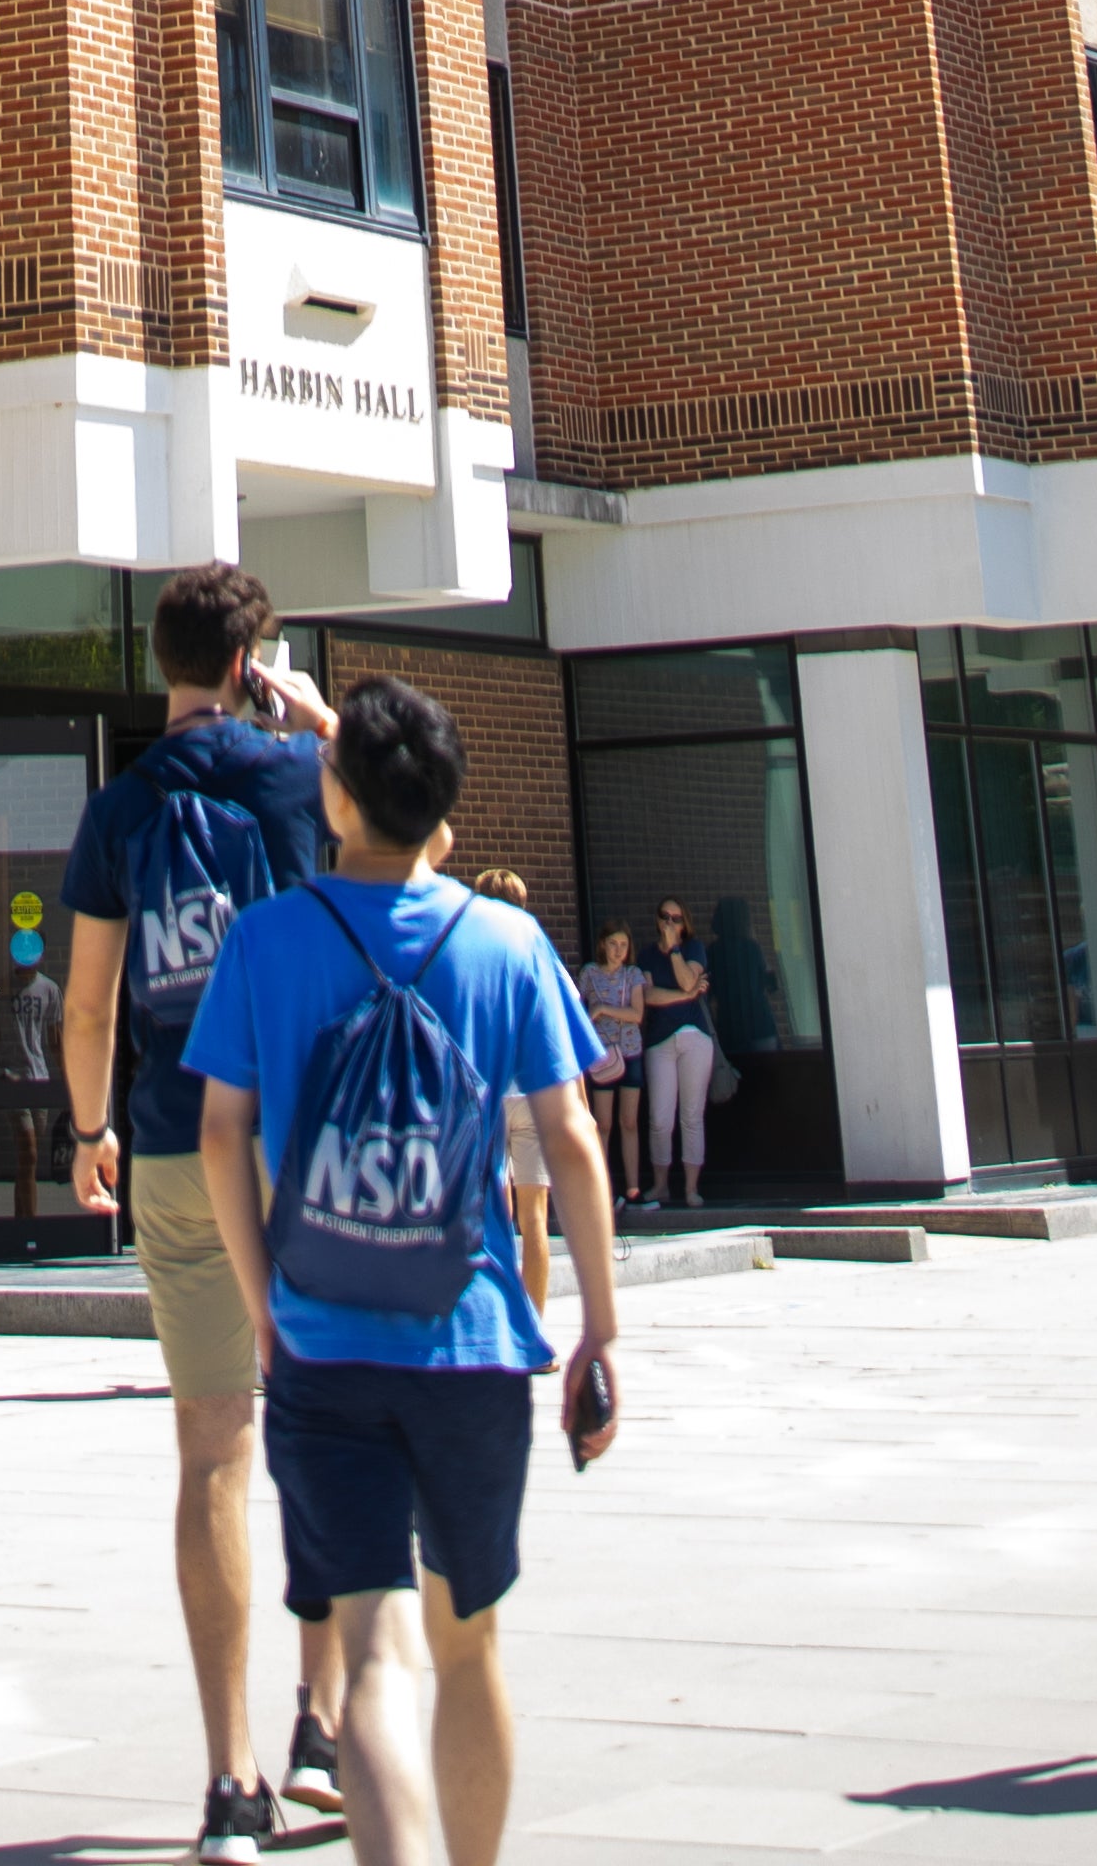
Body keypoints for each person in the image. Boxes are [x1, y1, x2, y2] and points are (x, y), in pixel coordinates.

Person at [193, 672, 622, 1866]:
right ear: (443, 808)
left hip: (324, 1340)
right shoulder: (506, 943)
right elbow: (571, 1138)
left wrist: (261, 1299)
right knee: (469, 1641)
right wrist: (599, 1326)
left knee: (373, 1654)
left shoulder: (266, 939)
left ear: (335, 796)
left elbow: (222, 1132)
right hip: (473, 1340)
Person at [66, 561, 348, 1852]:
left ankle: (229, 1783)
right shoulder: (299, 780)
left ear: (165, 666)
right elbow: (422, 825)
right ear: (251, 664)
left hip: (177, 1152)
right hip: (302, 1140)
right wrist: (325, 723)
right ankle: (322, 1724)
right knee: (325, 1431)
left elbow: (88, 1004)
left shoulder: (120, 808)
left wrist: (89, 1133)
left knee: (211, 1452)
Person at [471, 877, 556, 1322]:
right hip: (534, 1096)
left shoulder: (473, 952)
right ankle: (535, 1332)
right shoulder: (540, 954)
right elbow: (562, 1034)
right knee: (535, 1217)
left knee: (494, 1216)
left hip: (488, 1095)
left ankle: (502, 1325)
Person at [0, 922, 67, 1252]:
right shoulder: (1, 989)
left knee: (28, 1162)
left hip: (40, 1078)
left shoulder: (49, 990)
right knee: (29, 1152)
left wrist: (65, 1079)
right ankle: (28, 1227)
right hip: (12, 1077)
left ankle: (21, 1222)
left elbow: (55, 1039)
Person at [636, 900, 718, 1210]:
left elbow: (687, 977)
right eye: (665, 917)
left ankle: (691, 1188)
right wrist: (687, 995)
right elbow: (649, 996)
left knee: (691, 1116)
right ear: (657, 921)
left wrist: (674, 951)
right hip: (659, 1042)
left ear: (685, 923)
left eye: (677, 918)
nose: (671, 922)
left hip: (695, 1039)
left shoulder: (693, 948)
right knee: (659, 1118)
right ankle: (660, 1185)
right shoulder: (645, 955)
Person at [576, 921, 650, 1202]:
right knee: (603, 1122)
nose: (618, 951)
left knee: (629, 1120)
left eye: (623, 945)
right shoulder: (589, 973)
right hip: (602, 1055)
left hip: (630, 1052)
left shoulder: (633, 974)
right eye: (613, 944)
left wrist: (604, 1009)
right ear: (602, 945)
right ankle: (601, 1190)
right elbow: (578, 1008)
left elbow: (637, 1014)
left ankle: (633, 1188)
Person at [704, 895, 788, 1080]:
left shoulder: (712, 952)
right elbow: (773, 986)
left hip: (730, 1029)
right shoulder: (752, 948)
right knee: (769, 1084)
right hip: (760, 1026)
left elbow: (707, 997)